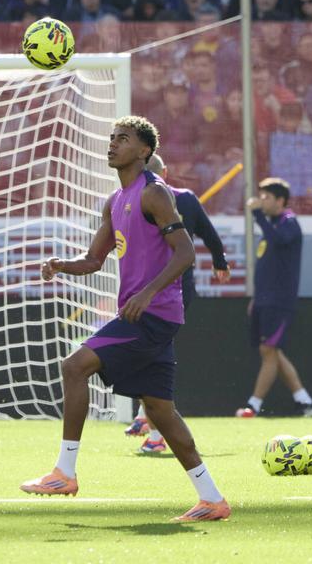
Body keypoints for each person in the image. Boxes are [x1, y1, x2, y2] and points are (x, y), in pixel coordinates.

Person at [21, 116, 231, 523]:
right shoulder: (115, 201)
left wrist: (148, 292)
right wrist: (60, 265)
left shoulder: (154, 194)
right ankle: (212, 499)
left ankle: (64, 472)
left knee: (74, 365)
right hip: (147, 313)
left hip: (153, 314)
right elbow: (94, 260)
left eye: (124, 139)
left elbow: (186, 252)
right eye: (112, 137)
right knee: (161, 412)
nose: (113, 144)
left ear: (144, 151)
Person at [125, 153, 230, 455]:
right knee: (146, 353)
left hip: (168, 293)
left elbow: (208, 236)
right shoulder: (143, 202)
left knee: (152, 355)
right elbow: (211, 236)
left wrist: (219, 261)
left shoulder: (173, 201)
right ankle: (147, 417)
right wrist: (220, 262)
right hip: (153, 291)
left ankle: (155, 430)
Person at [236, 178, 312, 419]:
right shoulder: (271, 226)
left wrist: (257, 216)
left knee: (269, 349)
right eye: (260, 196)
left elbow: (278, 240)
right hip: (264, 300)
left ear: (280, 201)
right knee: (272, 352)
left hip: (279, 301)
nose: (261, 201)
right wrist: (256, 297)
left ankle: (253, 405)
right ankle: (305, 401)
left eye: (266, 197)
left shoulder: (289, 223)